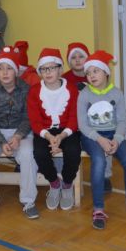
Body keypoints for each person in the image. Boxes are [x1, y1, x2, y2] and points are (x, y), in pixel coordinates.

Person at [77, 50, 126, 230]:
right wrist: (100, 140)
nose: (91, 76)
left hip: (113, 134)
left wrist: (116, 139)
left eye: (96, 71)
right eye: (88, 73)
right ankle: (98, 209)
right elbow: (83, 125)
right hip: (91, 136)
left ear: (106, 72)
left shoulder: (117, 93)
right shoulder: (84, 94)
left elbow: (122, 121)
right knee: (99, 160)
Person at [0, 47, 39, 222]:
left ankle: (28, 200)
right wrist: (1, 142)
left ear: (16, 71)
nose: (4, 72)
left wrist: (18, 136)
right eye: (0, 68)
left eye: (9, 68)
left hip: (21, 131)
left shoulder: (26, 89)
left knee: (28, 154)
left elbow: (29, 117)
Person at [27, 48, 81, 211]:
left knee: (73, 151)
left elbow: (74, 118)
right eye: (44, 69)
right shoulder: (34, 91)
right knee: (39, 153)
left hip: (67, 130)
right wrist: (49, 137)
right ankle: (54, 183)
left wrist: (62, 136)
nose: (48, 72)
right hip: (44, 131)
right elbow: (35, 121)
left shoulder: (71, 89)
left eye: (52, 68)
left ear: (60, 70)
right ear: (40, 72)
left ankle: (67, 183)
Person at [62, 42, 115, 193]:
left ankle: (104, 176)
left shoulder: (96, 76)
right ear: (69, 61)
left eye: (81, 56)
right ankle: (63, 176)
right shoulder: (65, 79)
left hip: (94, 123)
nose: (78, 60)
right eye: (73, 57)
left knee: (106, 135)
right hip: (73, 124)